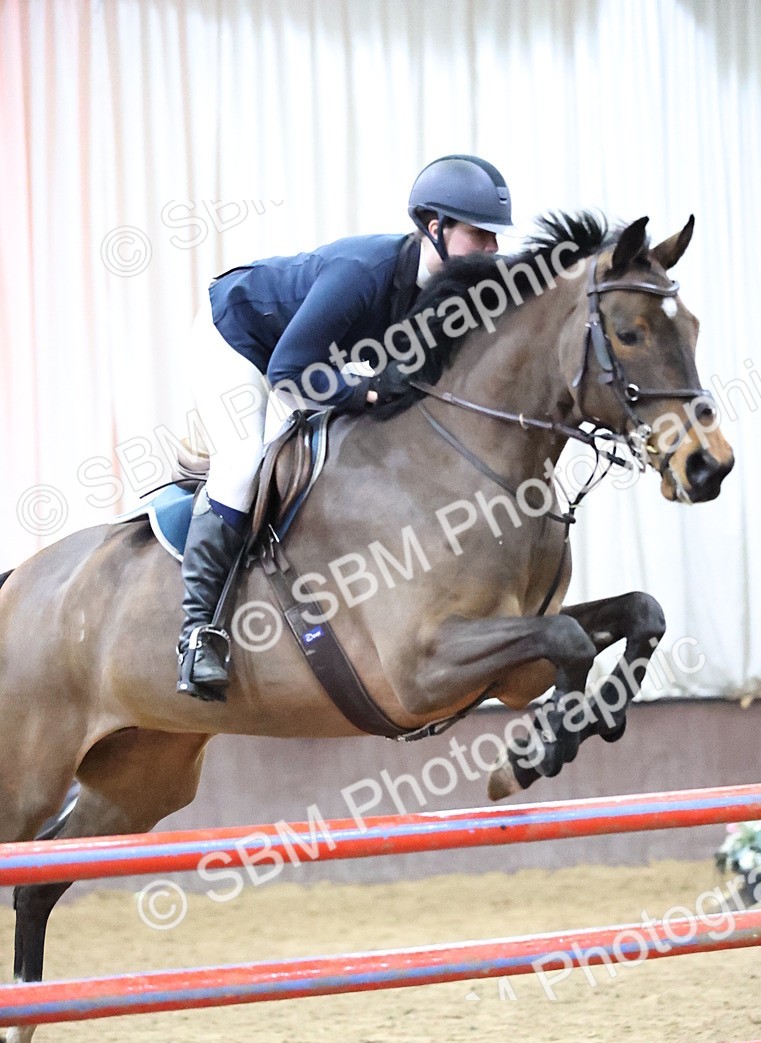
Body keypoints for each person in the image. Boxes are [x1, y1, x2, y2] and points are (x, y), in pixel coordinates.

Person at [177, 154, 513, 701]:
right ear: (435, 226)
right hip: (238, 341)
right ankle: (196, 637)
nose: (494, 249)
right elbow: (288, 373)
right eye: (482, 234)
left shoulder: (441, 291)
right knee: (244, 466)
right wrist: (369, 391)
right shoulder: (364, 272)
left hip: (306, 360)